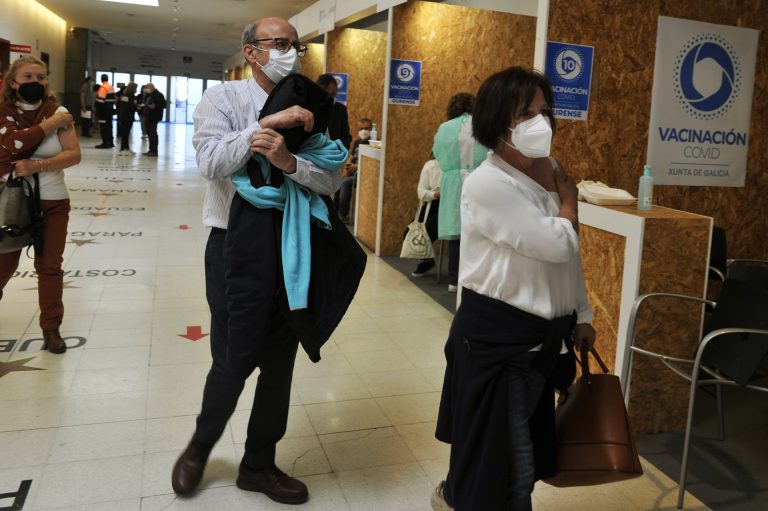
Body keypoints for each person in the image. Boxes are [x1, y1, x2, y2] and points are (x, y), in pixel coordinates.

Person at [171, 17, 341, 505]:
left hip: (293, 246)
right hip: (233, 247)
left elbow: (330, 180)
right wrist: (265, 126)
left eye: (297, 45)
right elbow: (209, 164)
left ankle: (259, 464)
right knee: (233, 358)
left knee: (280, 362)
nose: (292, 52)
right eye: (280, 44)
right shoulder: (222, 101)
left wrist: (291, 164)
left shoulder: (312, 104)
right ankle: (199, 449)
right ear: (252, 53)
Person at [431, 67, 596, 511]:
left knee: (515, 459)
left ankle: (458, 493)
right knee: (504, 465)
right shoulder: (489, 183)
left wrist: (580, 314)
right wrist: (569, 202)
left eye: (544, 111)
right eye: (525, 113)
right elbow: (557, 242)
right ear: (496, 122)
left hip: (539, 344)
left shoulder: (545, 173)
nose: (539, 122)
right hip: (499, 344)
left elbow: (568, 259)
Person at [0, 56, 81, 353]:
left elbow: (73, 154)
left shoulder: (59, 111)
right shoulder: (5, 111)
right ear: (13, 82)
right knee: (4, 264)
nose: (35, 82)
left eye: (41, 77)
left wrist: (40, 165)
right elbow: (13, 145)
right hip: (11, 200)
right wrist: (52, 125)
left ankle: (51, 329)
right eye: (28, 77)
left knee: (49, 266)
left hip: (53, 200)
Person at [432, 93, 487, 292]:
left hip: (453, 182)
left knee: (456, 232)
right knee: (477, 229)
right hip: (479, 180)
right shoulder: (481, 125)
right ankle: (475, 278)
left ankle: (454, 279)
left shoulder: (445, 128)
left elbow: (437, 152)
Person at [336, 117, 371, 223]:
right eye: (361, 129)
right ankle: (335, 212)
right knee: (339, 180)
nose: (363, 131)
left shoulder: (374, 143)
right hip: (353, 172)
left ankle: (344, 215)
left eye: (366, 128)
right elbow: (351, 157)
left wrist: (357, 167)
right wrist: (346, 170)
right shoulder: (357, 142)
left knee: (346, 183)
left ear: (371, 129)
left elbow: (373, 166)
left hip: (364, 175)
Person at [411, 155, 441, 277]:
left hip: (449, 206)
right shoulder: (430, 165)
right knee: (410, 233)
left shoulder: (456, 166)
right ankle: (427, 260)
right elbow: (421, 192)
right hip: (432, 202)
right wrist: (435, 194)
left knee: (427, 231)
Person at [316, 73, 351, 149]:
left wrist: (338, 150)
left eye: (335, 94)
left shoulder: (340, 109)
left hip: (334, 154)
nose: (333, 98)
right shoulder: (311, 108)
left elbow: (346, 137)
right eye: (330, 94)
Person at [142, 83, 165, 156]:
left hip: (154, 117)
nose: (146, 89)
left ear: (151, 87)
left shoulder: (159, 95)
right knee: (149, 133)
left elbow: (163, 105)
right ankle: (151, 149)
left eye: (147, 88)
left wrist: (155, 106)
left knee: (153, 134)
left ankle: (154, 151)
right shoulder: (149, 94)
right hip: (148, 116)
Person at [94, 73, 115, 148]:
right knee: (109, 126)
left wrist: (96, 108)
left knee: (103, 127)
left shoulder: (103, 88)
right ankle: (111, 142)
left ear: (101, 79)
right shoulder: (111, 87)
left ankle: (105, 143)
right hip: (110, 110)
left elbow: (100, 101)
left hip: (103, 111)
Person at [116, 82, 138, 154]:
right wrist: (137, 107)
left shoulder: (125, 95)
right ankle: (122, 149)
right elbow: (130, 107)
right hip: (127, 117)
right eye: (135, 88)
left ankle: (126, 148)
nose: (136, 89)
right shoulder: (130, 96)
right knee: (125, 133)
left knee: (126, 133)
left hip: (124, 116)